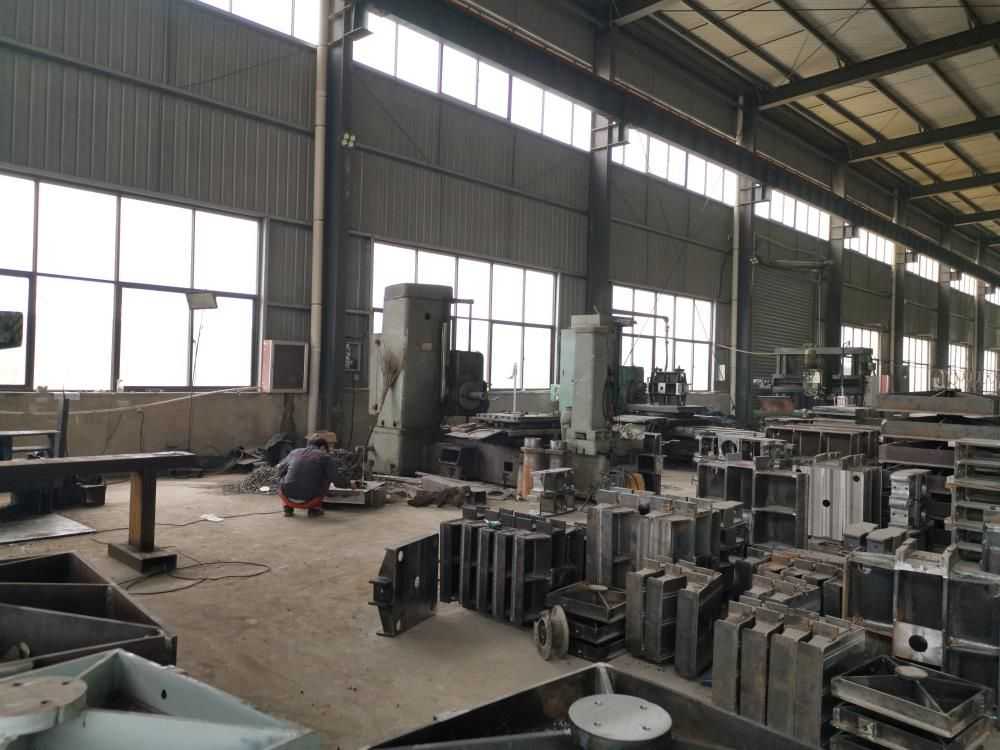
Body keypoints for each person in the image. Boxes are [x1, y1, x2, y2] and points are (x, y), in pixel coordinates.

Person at [276, 436, 339, 516]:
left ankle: (287, 507)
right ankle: (314, 508)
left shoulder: (294, 452)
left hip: (286, 495)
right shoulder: (325, 457)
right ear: (322, 447)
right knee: (327, 476)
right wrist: (349, 484)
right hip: (311, 499)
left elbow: (280, 469)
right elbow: (335, 478)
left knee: (283, 473)